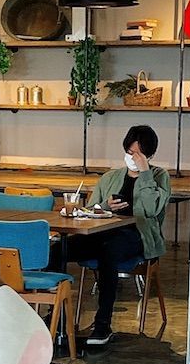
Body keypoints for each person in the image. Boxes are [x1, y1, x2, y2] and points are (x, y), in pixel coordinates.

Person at [70, 125, 170, 346]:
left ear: (150, 155)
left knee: (109, 253)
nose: (133, 158)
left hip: (139, 235)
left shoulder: (159, 176)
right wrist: (106, 206)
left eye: (139, 154)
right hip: (103, 231)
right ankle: (56, 318)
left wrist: (145, 173)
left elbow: (152, 209)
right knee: (62, 247)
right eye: (130, 152)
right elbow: (89, 211)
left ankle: (102, 324)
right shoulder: (110, 177)